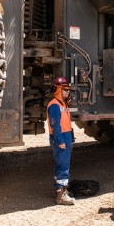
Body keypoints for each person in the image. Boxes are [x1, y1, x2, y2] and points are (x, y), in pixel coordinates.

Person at [47, 76, 76, 205]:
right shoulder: (54, 105)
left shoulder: (62, 104)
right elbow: (55, 125)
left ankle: (61, 189)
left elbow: (67, 123)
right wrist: (60, 141)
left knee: (62, 164)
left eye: (68, 90)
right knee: (63, 165)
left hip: (66, 137)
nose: (67, 92)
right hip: (61, 138)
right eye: (65, 89)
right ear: (58, 90)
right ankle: (60, 196)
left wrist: (71, 137)